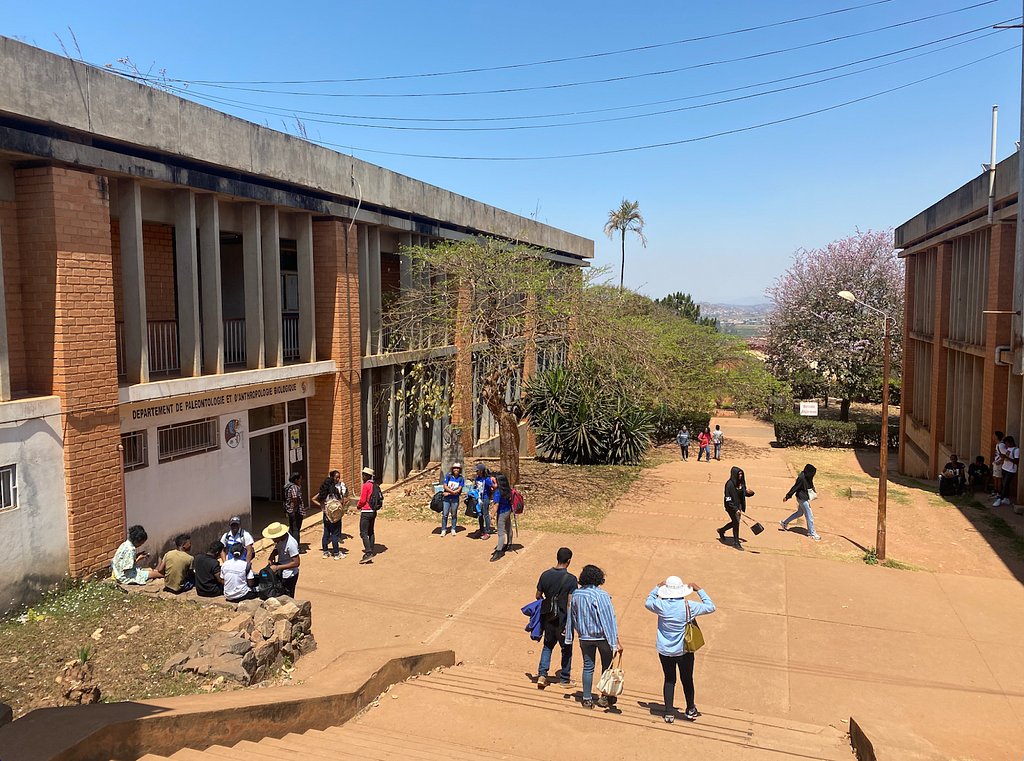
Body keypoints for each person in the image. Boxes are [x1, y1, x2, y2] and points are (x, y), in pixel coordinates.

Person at [645, 577, 716, 723]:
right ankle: (690, 708)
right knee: (687, 679)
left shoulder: (660, 605)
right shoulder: (689, 606)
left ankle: (669, 713)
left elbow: (648, 602)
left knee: (669, 680)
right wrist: (699, 590)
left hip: (665, 651)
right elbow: (710, 606)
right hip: (684, 650)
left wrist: (656, 588)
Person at [565, 564, 621, 710]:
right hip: (602, 637)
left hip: (584, 637)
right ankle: (604, 696)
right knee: (606, 666)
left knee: (588, 667)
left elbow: (572, 616)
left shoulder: (576, 594)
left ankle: (587, 699)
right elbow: (608, 619)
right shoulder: (601, 595)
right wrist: (615, 642)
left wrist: (571, 635)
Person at [535, 547, 578, 690]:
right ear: (569, 561)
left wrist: (546, 603)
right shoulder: (571, 579)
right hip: (562, 620)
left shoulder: (545, 575)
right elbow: (569, 603)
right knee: (566, 649)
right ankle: (565, 679)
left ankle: (542, 675)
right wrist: (568, 623)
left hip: (548, 618)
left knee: (548, 646)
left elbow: (538, 595)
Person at [313, 470, 348, 559]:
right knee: (335, 534)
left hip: (325, 515)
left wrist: (322, 506)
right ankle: (336, 553)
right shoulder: (334, 492)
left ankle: (325, 552)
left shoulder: (323, 494)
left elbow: (313, 499)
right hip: (334, 516)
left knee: (326, 533)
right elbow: (341, 501)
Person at [717, 466, 755, 549]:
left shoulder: (741, 483)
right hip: (731, 507)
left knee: (735, 522)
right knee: (736, 522)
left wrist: (750, 493)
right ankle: (736, 542)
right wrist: (735, 509)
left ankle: (721, 530)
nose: (740, 476)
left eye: (741, 474)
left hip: (739, 506)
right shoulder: (729, 484)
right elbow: (728, 499)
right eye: (739, 474)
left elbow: (743, 493)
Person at [780, 464, 820, 540]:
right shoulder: (802, 478)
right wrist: (788, 496)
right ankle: (811, 533)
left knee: (799, 513)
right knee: (809, 516)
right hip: (802, 499)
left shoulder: (807, 477)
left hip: (803, 498)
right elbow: (795, 487)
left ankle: (784, 523)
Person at [263, 522, 301, 597]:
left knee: (288, 597)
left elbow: (296, 563)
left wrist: (277, 568)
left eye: (274, 537)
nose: (273, 539)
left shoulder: (291, 544)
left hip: (289, 575)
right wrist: (272, 555)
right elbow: (277, 548)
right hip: (281, 572)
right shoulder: (280, 540)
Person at [490, 472, 515, 562]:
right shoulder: (507, 489)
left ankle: (498, 551)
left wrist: (492, 516)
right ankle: (510, 544)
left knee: (501, 533)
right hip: (508, 510)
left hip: (502, 512)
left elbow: (496, 505)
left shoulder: (498, 492)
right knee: (508, 527)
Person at [357, 467, 379, 564]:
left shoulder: (366, 486)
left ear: (368, 476)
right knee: (371, 531)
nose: (363, 477)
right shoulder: (375, 485)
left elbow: (362, 500)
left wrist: (358, 506)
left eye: (364, 475)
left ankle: (368, 552)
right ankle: (371, 548)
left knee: (363, 533)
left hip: (366, 511)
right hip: (373, 511)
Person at [474, 464, 497, 540]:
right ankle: (481, 530)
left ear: (481, 471)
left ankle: (487, 531)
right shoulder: (477, 478)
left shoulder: (486, 479)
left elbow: (493, 486)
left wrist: (495, 485)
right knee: (480, 514)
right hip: (478, 498)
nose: (476, 472)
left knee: (485, 514)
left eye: (477, 470)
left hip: (485, 498)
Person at [441, 463, 464, 537]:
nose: (456, 470)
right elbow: (445, 486)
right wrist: (452, 492)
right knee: (445, 514)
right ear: (452, 469)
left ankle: (453, 528)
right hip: (446, 499)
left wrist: (449, 493)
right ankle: (443, 529)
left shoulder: (461, 478)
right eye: (454, 468)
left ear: (460, 470)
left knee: (454, 514)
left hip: (455, 499)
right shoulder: (448, 476)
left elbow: (459, 489)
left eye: (457, 468)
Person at [283, 472, 305, 551]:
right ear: (296, 480)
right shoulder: (294, 487)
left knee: (292, 528)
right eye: (299, 479)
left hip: (290, 510)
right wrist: (295, 508)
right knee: (296, 529)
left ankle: (289, 545)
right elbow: (295, 497)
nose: (300, 481)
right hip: (295, 511)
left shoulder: (288, 487)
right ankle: (296, 547)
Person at [995, 436, 1019, 508]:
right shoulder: (1008, 449)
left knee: (1005, 485)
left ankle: (1000, 499)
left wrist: (1006, 457)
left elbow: (1016, 461)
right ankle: (1006, 498)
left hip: (1011, 470)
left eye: (1007, 443)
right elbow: (1006, 458)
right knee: (1005, 484)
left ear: (1011, 442)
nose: (1006, 445)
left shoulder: (1016, 450)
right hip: (1005, 468)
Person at [992, 431, 1007, 499]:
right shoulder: (997, 444)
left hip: (999, 463)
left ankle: (999, 492)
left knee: (998, 478)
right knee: (995, 477)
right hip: (996, 462)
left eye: (994, 435)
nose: (993, 436)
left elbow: (1006, 455)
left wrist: (1000, 461)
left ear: (997, 437)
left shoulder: (1001, 445)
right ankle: (995, 491)